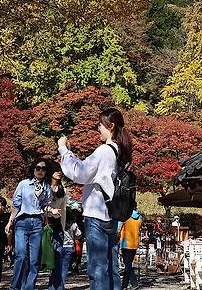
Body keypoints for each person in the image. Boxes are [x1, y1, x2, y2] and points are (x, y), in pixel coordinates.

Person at [58, 107, 134, 290]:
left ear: (111, 126)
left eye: (100, 125)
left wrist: (63, 150)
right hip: (111, 215)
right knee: (111, 266)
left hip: (96, 216)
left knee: (97, 267)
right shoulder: (120, 153)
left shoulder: (104, 151)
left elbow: (80, 173)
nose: (98, 128)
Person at [5, 161, 58, 290]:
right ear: (33, 169)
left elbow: (45, 204)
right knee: (21, 256)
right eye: (38, 168)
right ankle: (15, 287)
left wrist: (51, 210)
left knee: (34, 260)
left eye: (43, 169)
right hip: (22, 222)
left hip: (37, 224)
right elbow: (16, 205)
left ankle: (28, 287)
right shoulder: (24, 184)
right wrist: (10, 222)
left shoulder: (46, 187)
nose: (40, 171)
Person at [45, 161, 72, 290]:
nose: (59, 172)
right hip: (43, 223)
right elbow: (38, 206)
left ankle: (56, 287)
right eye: (56, 169)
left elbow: (63, 210)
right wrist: (49, 210)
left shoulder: (63, 189)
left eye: (60, 169)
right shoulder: (44, 187)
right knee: (34, 258)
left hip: (56, 225)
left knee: (58, 256)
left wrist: (62, 227)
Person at [119, 210, 143, 289]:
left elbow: (118, 229)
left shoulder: (124, 216)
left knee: (128, 265)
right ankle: (124, 285)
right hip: (134, 243)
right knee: (128, 265)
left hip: (125, 243)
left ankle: (134, 283)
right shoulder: (140, 217)